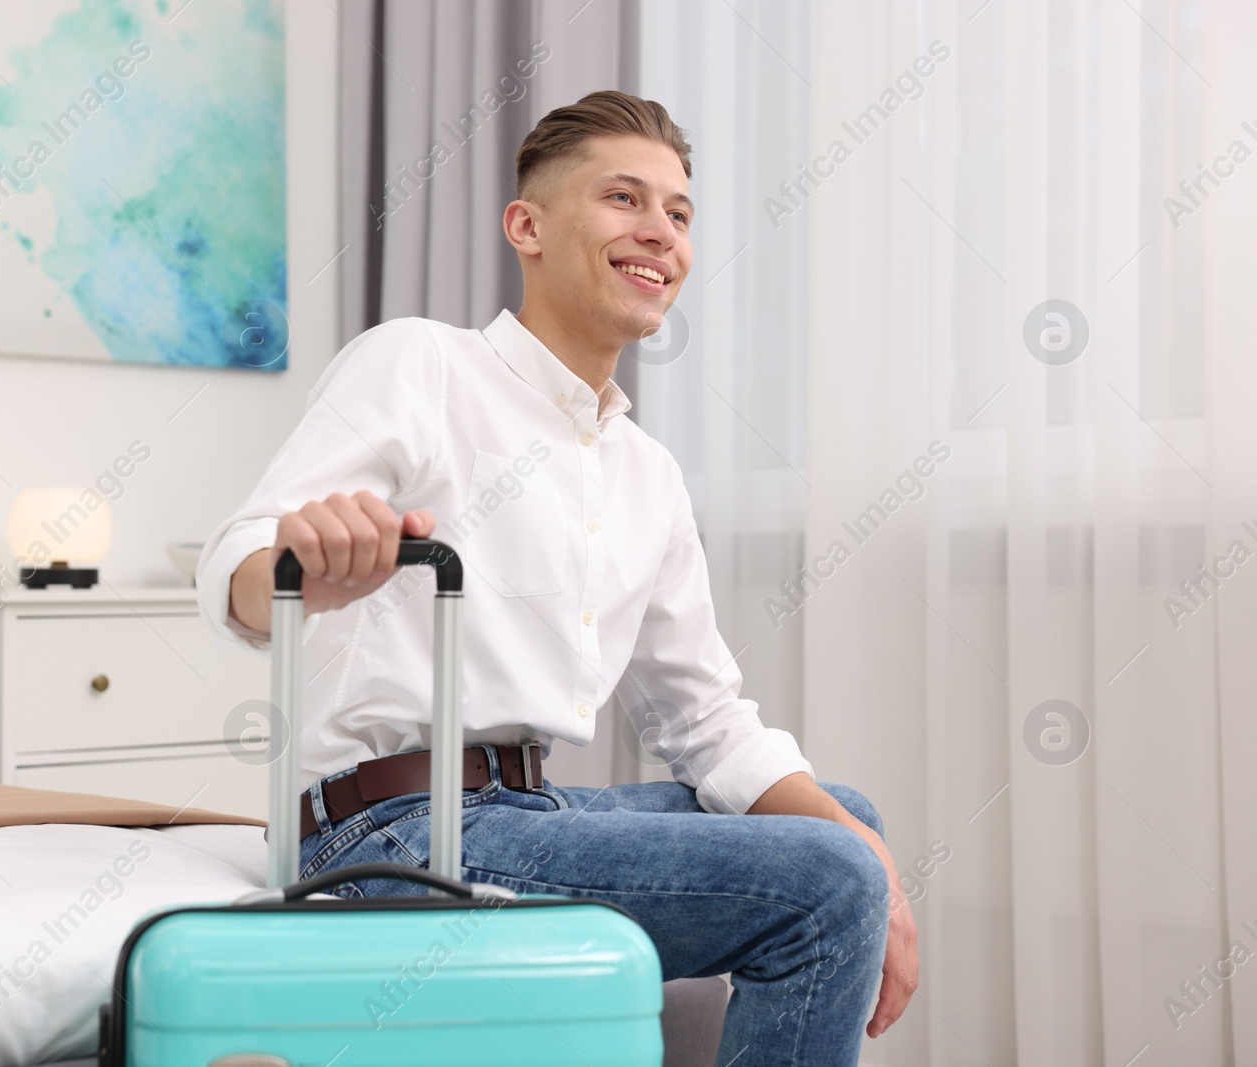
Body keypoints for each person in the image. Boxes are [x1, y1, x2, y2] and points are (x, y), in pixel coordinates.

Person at [197, 89, 917, 1065]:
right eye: (624, 199)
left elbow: (706, 719)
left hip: (525, 812)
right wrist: (300, 563)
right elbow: (237, 563)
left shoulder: (645, 471)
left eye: (678, 212)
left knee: (846, 823)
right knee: (829, 875)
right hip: (388, 833)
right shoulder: (420, 363)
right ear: (526, 226)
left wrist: (869, 859)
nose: (658, 231)